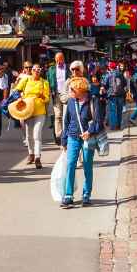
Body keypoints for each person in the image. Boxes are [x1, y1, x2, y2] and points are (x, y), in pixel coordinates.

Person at [60, 76, 102, 209]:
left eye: (72, 90)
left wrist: (89, 132)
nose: (70, 92)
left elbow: (98, 120)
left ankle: (86, 194)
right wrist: (64, 140)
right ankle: (68, 195)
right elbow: (66, 121)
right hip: (73, 136)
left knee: (87, 166)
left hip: (88, 138)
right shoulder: (71, 101)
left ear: (80, 90)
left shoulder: (93, 100)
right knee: (70, 164)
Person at [19, 63, 51, 169]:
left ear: (41, 71)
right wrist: (20, 97)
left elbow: (47, 99)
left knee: (36, 135)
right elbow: (16, 90)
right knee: (28, 135)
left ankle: (37, 157)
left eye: (38, 70)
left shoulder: (44, 82)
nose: (36, 71)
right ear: (31, 71)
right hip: (28, 111)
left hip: (40, 112)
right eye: (34, 69)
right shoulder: (26, 80)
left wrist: (42, 97)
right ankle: (31, 154)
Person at [47, 52, 70, 144]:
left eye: (59, 60)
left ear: (63, 59)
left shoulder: (69, 68)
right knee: (57, 115)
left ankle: (66, 135)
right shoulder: (51, 69)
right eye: (56, 60)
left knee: (66, 115)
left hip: (66, 94)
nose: (58, 62)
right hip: (56, 94)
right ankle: (59, 136)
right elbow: (48, 81)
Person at [102, 62, 128, 130]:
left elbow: (104, 84)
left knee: (112, 111)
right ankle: (118, 125)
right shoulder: (120, 74)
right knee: (119, 110)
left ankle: (113, 126)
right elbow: (125, 83)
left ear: (110, 67)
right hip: (120, 95)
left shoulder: (108, 75)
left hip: (111, 95)